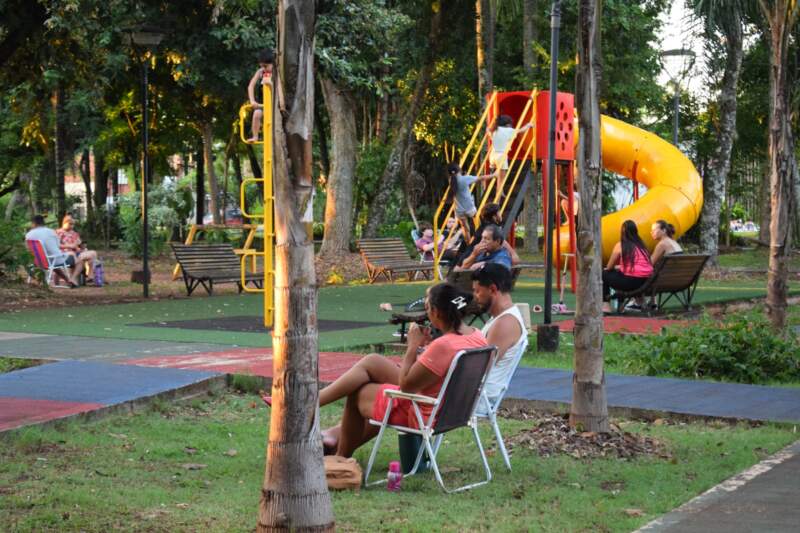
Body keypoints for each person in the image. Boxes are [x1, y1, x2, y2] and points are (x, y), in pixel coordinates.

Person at [309, 283, 487, 457]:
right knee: (373, 362)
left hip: (425, 412)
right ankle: (315, 408)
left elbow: (406, 387)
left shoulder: (444, 345)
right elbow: (438, 369)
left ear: (436, 312)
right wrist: (425, 349)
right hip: (453, 410)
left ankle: (340, 457)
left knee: (360, 393)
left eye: (427, 307)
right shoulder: (477, 336)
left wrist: (412, 346)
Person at [471, 263, 527, 412]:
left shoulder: (505, 323)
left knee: (409, 394)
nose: (475, 297)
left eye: (477, 291)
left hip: (477, 398)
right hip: (474, 393)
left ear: (493, 289)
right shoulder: (499, 318)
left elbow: (479, 368)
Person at [602, 220, 654, 313]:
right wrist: (620, 267)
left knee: (604, 274)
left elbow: (609, 266)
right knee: (620, 273)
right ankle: (632, 303)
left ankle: (606, 305)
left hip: (629, 283)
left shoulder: (621, 245)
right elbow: (639, 265)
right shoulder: (642, 246)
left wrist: (613, 268)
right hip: (645, 282)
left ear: (622, 232)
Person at [25, 214, 80, 287]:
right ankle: (73, 279)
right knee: (78, 259)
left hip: (38, 261)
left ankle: (67, 280)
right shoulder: (51, 232)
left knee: (52, 262)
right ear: (43, 222)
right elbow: (58, 246)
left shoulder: (28, 235)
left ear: (34, 223)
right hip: (53, 260)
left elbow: (28, 249)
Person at [447, 163, 495, 244]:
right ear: (459, 170)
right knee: (479, 224)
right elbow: (481, 178)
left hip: (459, 209)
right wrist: (494, 175)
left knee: (465, 229)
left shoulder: (451, 180)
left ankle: (469, 245)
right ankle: (482, 241)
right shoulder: (464, 178)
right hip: (469, 207)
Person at [490, 115, 533, 203]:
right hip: (501, 156)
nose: (511, 126)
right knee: (501, 181)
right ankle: (497, 202)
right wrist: (528, 125)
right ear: (507, 124)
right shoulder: (508, 130)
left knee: (501, 176)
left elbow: (489, 132)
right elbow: (521, 131)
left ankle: (500, 190)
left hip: (493, 155)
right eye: (510, 124)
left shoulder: (495, 130)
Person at [57, 215, 98, 282]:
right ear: (64, 223)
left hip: (77, 252)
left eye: (73, 224)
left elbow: (79, 244)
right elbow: (56, 245)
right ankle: (74, 277)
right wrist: (69, 246)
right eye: (70, 224)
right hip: (66, 253)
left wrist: (82, 246)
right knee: (80, 259)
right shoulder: (59, 232)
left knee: (93, 253)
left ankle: (90, 275)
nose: (72, 226)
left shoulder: (74, 233)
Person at [247, 48, 274, 143]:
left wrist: (270, 84)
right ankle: (255, 136)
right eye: (262, 66)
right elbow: (251, 86)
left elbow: (278, 90)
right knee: (257, 114)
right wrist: (252, 101)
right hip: (263, 103)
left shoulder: (277, 73)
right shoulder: (260, 72)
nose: (264, 68)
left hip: (275, 103)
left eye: (266, 66)